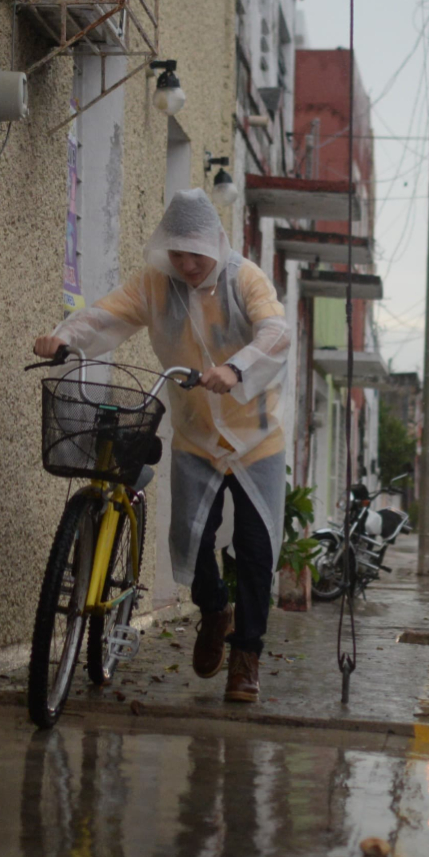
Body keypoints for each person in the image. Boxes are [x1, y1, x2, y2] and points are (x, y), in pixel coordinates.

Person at [33, 189, 290, 703]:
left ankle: (247, 656)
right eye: (178, 253)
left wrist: (234, 368)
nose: (188, 264)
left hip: (255, 438)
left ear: (215, 246)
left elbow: (275, 332)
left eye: (196, 253)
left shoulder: (245, 279)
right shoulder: (156, 284)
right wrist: (64, 336)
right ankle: (214, 610)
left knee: (257, 551)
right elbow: (109, 313)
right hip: (196, 434)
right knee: (191, 541)